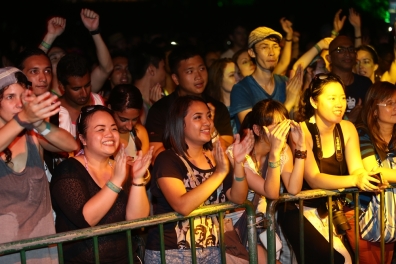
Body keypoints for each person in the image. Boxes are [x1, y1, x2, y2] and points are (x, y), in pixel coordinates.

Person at [279, 72, 380, 264]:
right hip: (298, 210)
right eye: (332, 98)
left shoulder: (348, 128)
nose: (339, 104)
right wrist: (355, 180)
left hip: (331, 209)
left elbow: (356, 169)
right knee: (336, 259)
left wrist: (366, 177)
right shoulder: (302, 131)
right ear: (314, 102)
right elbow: (314, 177)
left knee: (348, 260)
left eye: (342, 98)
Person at [145, 95, 253, 263]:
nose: (207, 122)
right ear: (180, 123)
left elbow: (238, 197)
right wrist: (219, 173)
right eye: (198, 117)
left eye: (209, 116)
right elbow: (182, 205)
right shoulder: (167, 159)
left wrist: (238, 164)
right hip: (173, 253)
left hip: (213, 248)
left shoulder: (215, 157)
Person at [50, 105, 153, 263]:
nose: (109, 135)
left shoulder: (121, 167)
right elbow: (86, 220)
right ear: (83, 138)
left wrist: (138, 180)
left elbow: (137, 221)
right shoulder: (68, 171)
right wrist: (116, 181)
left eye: (113, 128)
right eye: (100, 129)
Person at [0, 67, 78, 263]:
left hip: (42, 247)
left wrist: (39, 124)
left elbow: (71, 145)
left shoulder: (32, 135)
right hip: (6, 251)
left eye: (22, 96)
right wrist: (22, 119)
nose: (19, 104)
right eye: (10, 97)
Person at [226, 99, 305, 264]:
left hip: (262, 225)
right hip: (236, 226)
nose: (282, 132)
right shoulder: (238, 153)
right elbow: (271, 192)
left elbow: (293, 188)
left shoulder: (284, 151)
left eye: (284, 125)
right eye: (276, 126)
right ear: (257, 129)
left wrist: (300, 148)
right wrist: (275, 154)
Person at [145, 45, 234, 162]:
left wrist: (211, 128)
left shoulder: (216, 107)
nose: (198, 77)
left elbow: (228, 153)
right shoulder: (161, 109)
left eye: (202, 69)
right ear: (176, 79)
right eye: (190, 71)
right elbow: (156, 155)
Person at [350, 81, 396, 264]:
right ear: (374, 109)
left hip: (391, 212)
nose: (395, 107)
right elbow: (374, 172)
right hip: (365, 213)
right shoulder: (362, 134)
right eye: (389, 103)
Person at [229, 26, 303, 131]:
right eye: (264, 47)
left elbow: (295, 122)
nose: (271, 53)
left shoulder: (284, 82)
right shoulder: (241, 89)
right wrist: (289, 102)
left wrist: (297, 103)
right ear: (252, 52)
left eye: (275, 46)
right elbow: (255, 132)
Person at [39, 9, 114, 95]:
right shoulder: (42, 93)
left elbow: (106, 68)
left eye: (64, 56)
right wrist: (50, 36)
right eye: (54, 58)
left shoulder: (81, 88)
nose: (61, 60)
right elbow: (31, 64)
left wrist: (94, 31)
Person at [57, 53, 105, 138]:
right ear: (62, 86)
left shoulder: (99, 101)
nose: (84, 93)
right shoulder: (54, 112)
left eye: (87, 85)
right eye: (76, 89)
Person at [325, 35, 372, 122]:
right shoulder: (323, 85)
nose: (347, 54)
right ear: (329, 58)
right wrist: (348, 119)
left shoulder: (365, 84)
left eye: (351, 49)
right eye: (340, 50)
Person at [107, 84, 149, 158]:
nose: (129, 127)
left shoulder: (140, 132)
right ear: (110, 108)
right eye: (123, 120)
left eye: (134, 119)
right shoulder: (101, 136)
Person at [129, 45, 167, 124]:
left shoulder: (159, 98)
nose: (165, 73)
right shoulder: (131, 104)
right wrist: (158, 109)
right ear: (151, 70)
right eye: (163, 67)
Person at [205, 58, 238, 134]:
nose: (237, 78)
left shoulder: (245, 104)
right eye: (232, 75)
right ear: (218, 79)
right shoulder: (211, 110)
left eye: (238, 73)